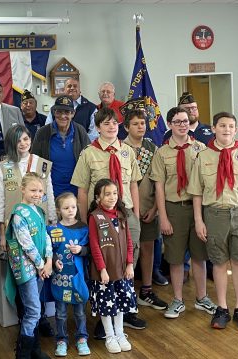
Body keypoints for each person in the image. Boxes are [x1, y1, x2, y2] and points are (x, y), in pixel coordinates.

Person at [187, 111, 238, 330]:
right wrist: (198, 221)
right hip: (215, 214)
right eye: (222, 126)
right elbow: (196, 193)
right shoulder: (203, 157)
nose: (226, 130)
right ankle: (222, 308)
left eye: (231, 126)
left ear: (236, 129)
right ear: (213, 128)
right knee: (219, 262)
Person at [70, 107, 145, 331]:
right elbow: (82, 191)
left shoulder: (127, 151)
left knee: (129, 262)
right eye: (106, 124)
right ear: (98, 127)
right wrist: (83, 221)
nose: (111, 127)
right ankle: (105, 312)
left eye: (114, 123)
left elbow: (133, 184)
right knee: (104, 262)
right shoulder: (88, 153)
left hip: (126, 214)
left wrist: (137, 216)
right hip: (101, 218)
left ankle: (126, 308)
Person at [149, 107, 217, 320]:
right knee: (176, 258)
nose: (182, 125)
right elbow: (159, 187)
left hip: (197, 209)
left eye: (185, 121)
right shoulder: (161, 153)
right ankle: (177, 300)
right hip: (174, 209)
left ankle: (202, 297)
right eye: (177, 121)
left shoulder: (200, 148)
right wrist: (164, 217)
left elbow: (208, 182)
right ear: (169, 124)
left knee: (199, 255)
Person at [0, 125, 57, 337]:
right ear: (12, 143)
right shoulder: (4, 166)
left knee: (40, 279)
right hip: (17, 232)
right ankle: (26, 322)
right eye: (18, 140)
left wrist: (52, 222)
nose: (23, 143)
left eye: (26, 139)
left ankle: (39, 320)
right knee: (23, 278)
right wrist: (2, 233)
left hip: (39, 228)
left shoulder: (41, 163)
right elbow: (0, 201)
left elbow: (48, 194)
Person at [121, 108, 167, 311]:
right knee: (126, 253)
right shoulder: (121, 148)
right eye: (135, 124)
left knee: (148, 249)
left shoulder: (153, 148)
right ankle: (126, 291)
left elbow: (159, 181)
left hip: (149, 208)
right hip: (127, 209)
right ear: (126, 127)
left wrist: (156, 208)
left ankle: (146, 290)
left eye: (143, 123)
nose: (140, 127)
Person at [4, 173, 52, 359]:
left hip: (41, 266)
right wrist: (42, 265)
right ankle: (23, 354)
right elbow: (26, 244)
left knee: (35, 308)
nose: (37, 194)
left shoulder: (39, 212)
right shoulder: (18, 214)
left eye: (40, 190)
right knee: (33, 310)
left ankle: (34, 350)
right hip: (27, 268)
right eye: (33, 190)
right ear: (22, 189)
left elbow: (46, 236)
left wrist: (48, 261)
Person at [87, 179, 136, 354]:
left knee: (121, 304)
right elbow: (94, 246)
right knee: (106, 305)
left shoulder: (121, 214)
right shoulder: (95, 217)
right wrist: (102, 269)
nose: (112, 197)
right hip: (105, 273)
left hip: (122, 271)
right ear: (98, 197)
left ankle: (120, 334)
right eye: (107, 194)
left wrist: (130, 264)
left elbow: (129, 242)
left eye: (115, 193)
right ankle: (109, 336)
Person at [49, 192, 90, 357]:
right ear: (59, 210)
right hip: (60, 280)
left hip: (77, 279)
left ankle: (82, 338)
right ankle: (61, 340)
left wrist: (81, 250)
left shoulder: (83, 228)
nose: (70, 210)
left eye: (73, 207)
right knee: (61, 313)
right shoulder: (53, 230)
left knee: (80, 312)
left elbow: (90, 250)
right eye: (66, 208)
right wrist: (53, 261)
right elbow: (48, 250)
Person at [31, 96, 90, 198]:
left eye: (67, 112)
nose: (63, 116)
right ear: (54, 113)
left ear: (73, 114)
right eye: (59, 112)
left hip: (76, 192)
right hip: (50, 192)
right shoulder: (42, 133)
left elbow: (89, 160)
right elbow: (35, 163)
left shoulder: (80, 131)